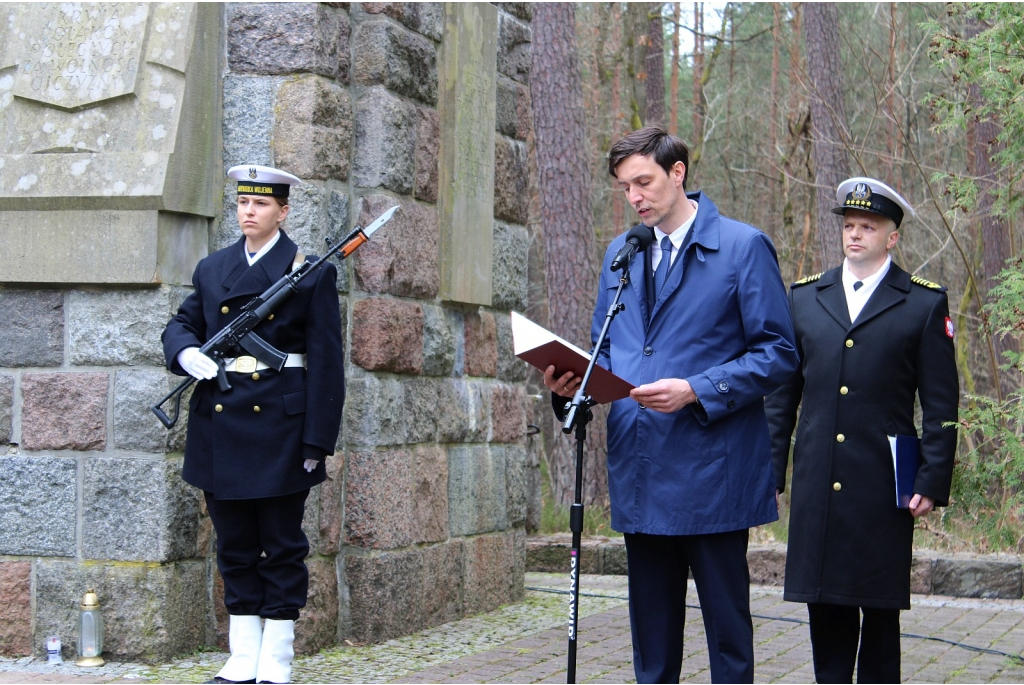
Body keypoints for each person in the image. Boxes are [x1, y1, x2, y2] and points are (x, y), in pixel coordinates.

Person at [543, 126, 799, 683]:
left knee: (727, 639)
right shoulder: (622, 251)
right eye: (624, 187)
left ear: (677, 173)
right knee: (651, 645)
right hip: (641, 470)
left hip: (714, 474)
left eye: (644, 181)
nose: (634, 196)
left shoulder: (740, 247)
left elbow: (780, 354)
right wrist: (576, 382)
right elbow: (605, 350)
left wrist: (696, 389)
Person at [765, 177, 959, 683]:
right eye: (849, 225)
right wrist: (770, 470)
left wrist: (931, 480)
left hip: (880, 483)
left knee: (878, 622)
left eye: (867, 227)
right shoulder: (806, 297)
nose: (854, 235)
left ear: (891, 236)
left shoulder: (922, 303)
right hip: (817, 481)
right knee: (823, 613)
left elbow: (941, 404)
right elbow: (783, 392)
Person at [162, 165, 344, 684]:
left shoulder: (310, 273)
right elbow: (181, 324)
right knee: (234, 544)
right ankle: (243, 655)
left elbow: (327, 363)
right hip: (221, 422)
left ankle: (278, 657)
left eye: (262, 204)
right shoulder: (213, 267)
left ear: (283, 212)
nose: (249, 211)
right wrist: (187, 352)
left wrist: (317, 440)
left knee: (282, 544)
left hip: (282, 429)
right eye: (244, 202)